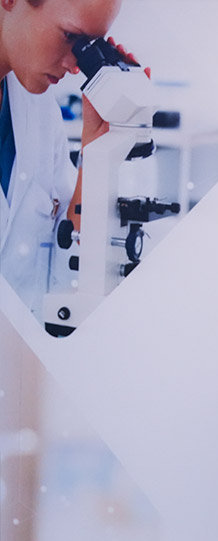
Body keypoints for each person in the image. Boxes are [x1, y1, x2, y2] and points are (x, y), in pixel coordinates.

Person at [0, 0, 131, 320]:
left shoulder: (39, 108)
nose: (75, 66)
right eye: (70, 36)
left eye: (87, 46)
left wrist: (97, 147)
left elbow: (62, 263)